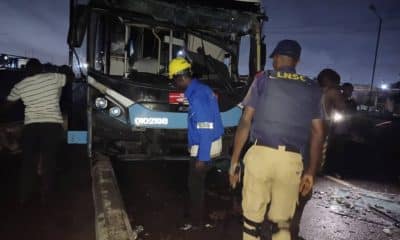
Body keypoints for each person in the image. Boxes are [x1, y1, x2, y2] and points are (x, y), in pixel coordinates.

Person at [229, 40, 325, 240]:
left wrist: (235, 161)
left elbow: (246, 120)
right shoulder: (312, 87)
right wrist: (310, 172)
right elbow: (318, 132)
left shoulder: (264, 79)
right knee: (282, 224)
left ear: (277, 58)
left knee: (252, 221)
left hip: (260, 156)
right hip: (291, 162)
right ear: (297, 61)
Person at [168, 57, 224, 228]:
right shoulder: (200, 90)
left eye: (174, 80)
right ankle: (199, 217)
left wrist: (202, 157)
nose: (175, 84)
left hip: (205, 147)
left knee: (195, 186)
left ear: (180, 78)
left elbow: (206, 127)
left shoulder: (197, 96)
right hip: (205, 144)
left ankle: (197, 222)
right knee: (197, 184)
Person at [290, 68, 345, 240]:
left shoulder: (307, 90)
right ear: (331, 83)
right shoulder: (331, 93)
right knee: (305, 189)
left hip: (295, 140)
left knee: (293, 186)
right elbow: (343, 108)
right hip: (312, 145)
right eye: (337, 84)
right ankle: (291, 231)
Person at [4, 59, 66, 204]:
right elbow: (68, 76)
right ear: (41, 69)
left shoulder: (20, 85)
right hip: (52, 125)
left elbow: (7, 104)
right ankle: (46, 196)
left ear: (26, 71)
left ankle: (24, 196)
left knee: (27, 161)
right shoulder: (52, 77)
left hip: (31, 127)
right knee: (49, 159)